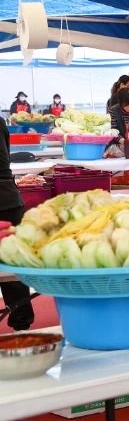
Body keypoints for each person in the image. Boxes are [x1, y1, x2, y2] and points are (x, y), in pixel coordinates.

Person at [0, 114, 32, 332]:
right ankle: (21, 320)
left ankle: (21, 318)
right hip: (9, 198)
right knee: (12, 263)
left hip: (7, 198)